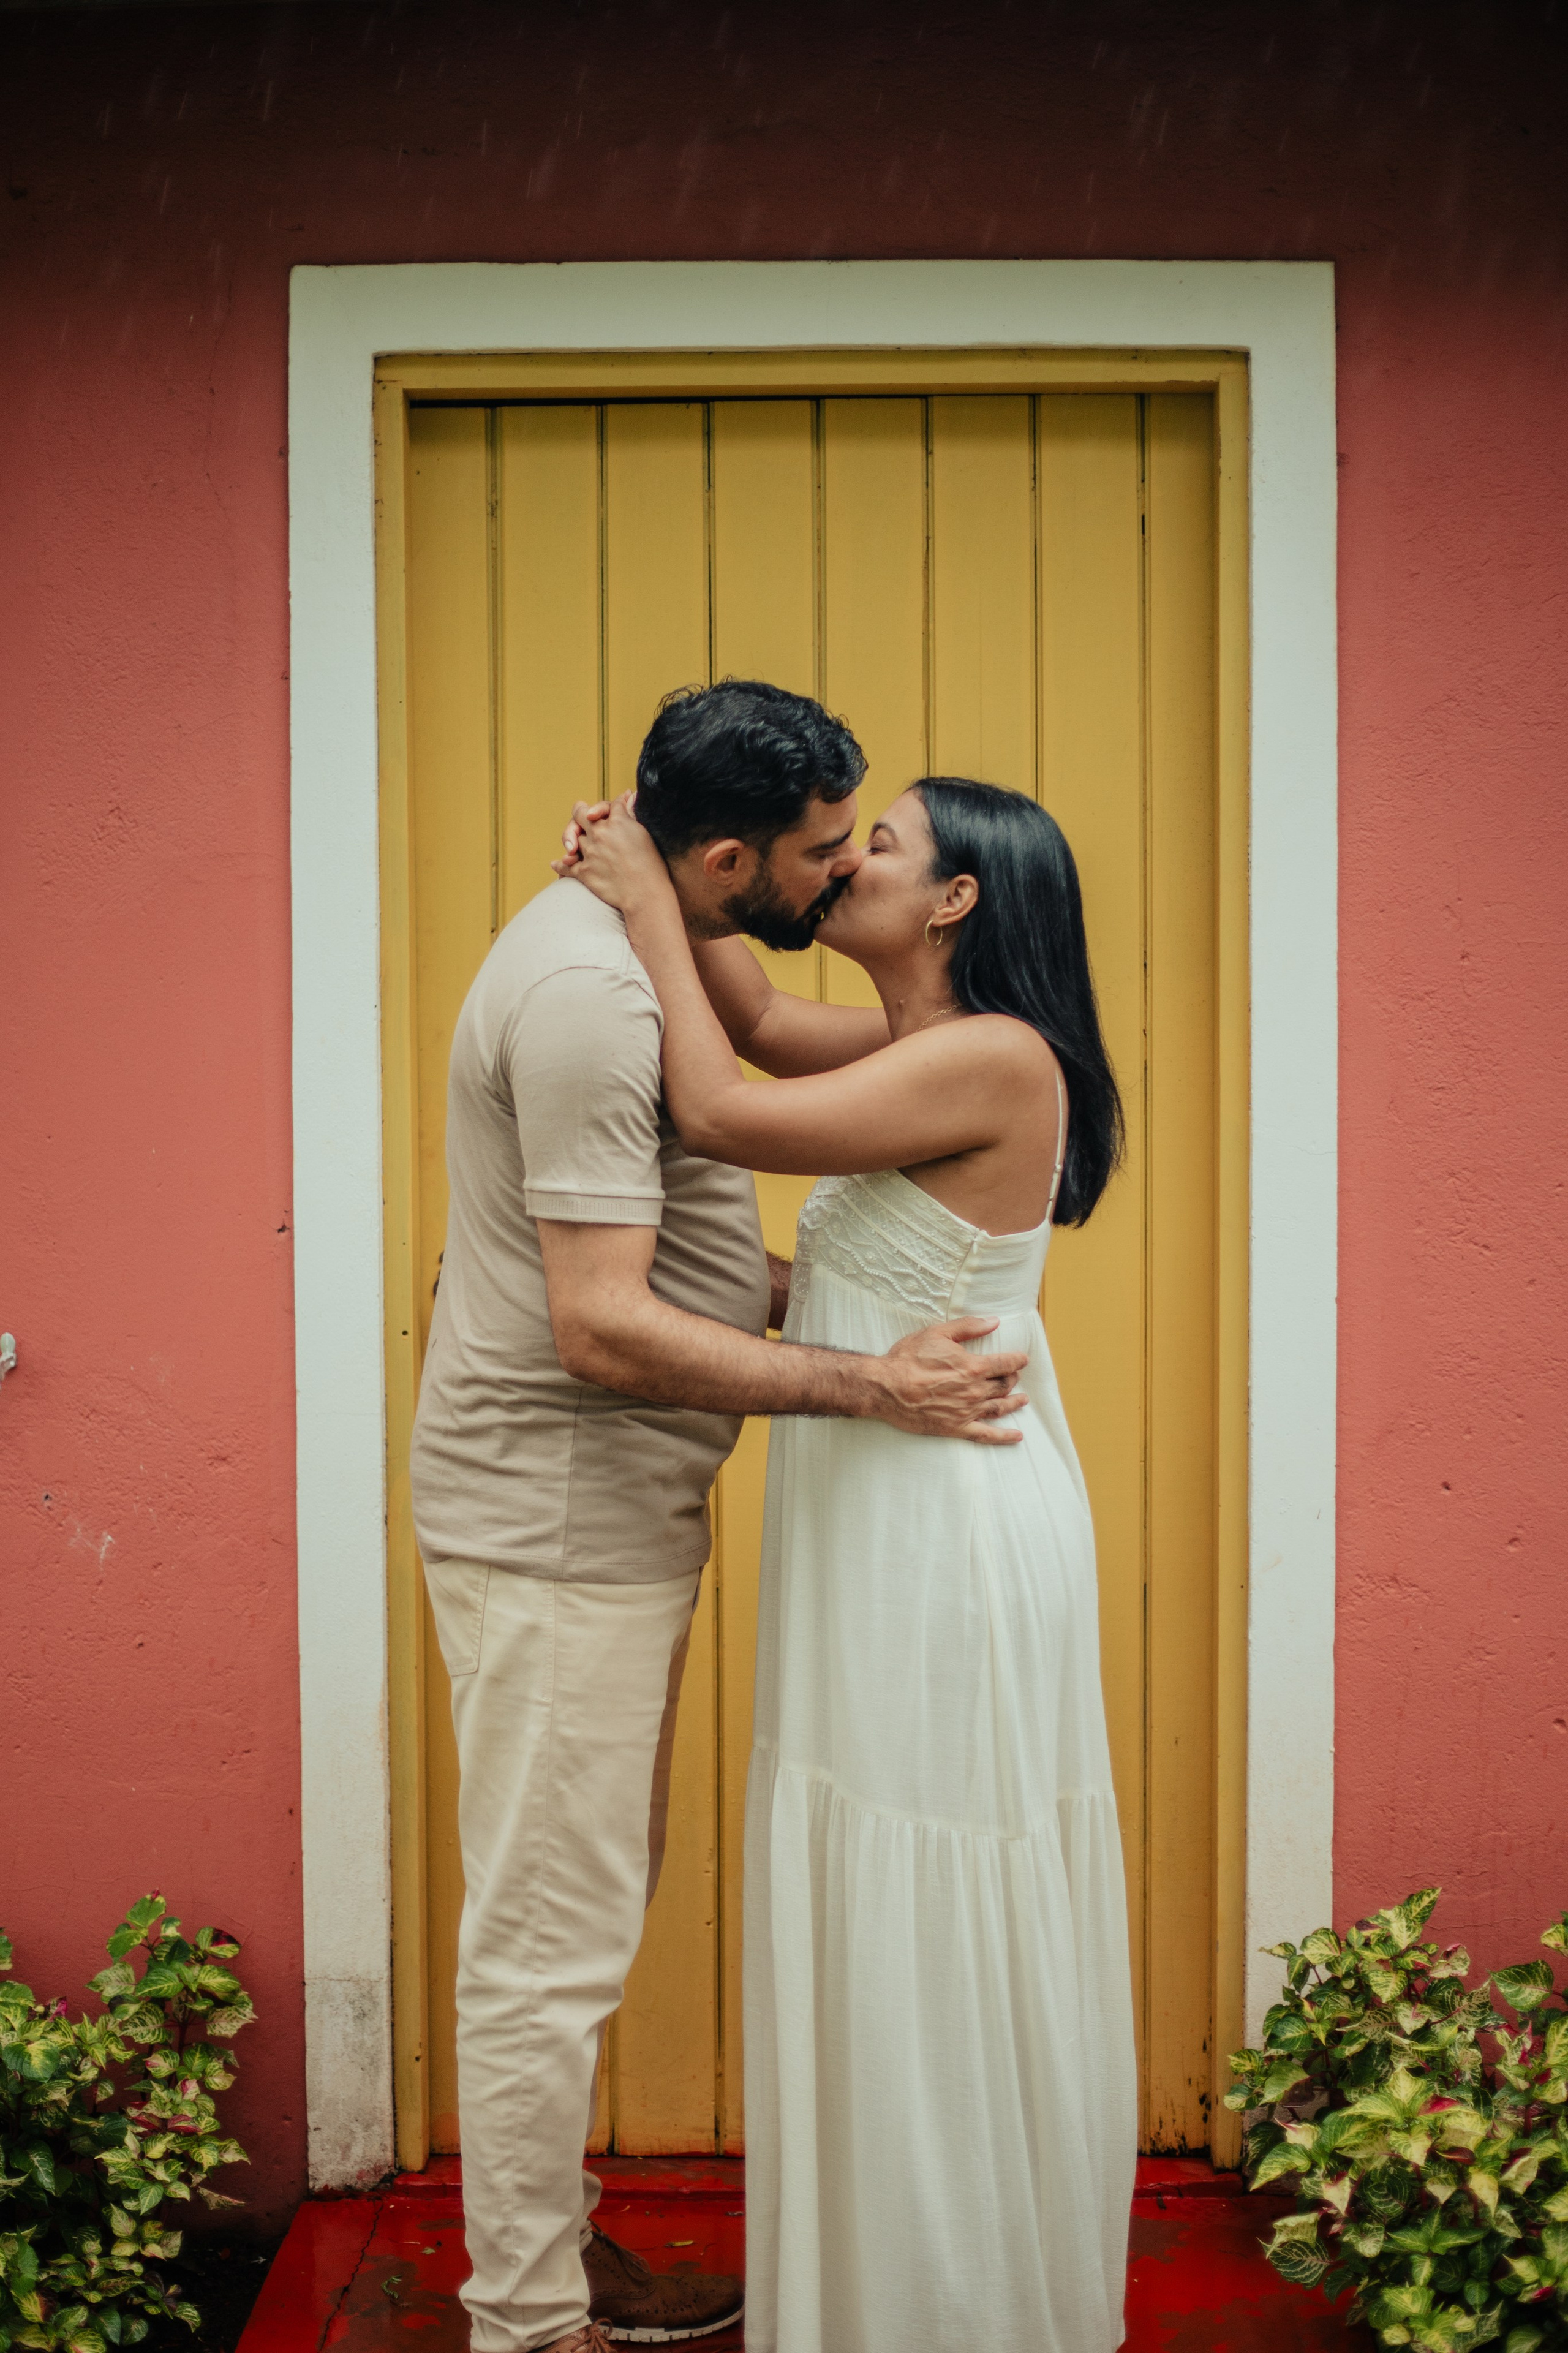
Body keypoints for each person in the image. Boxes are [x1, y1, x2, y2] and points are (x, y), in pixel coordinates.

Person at [407, 682, 1030, 2353]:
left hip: (609, 1512)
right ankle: (532, 2323)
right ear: (731, 855)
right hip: (555, 1515)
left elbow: (752, 1099)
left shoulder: (650, 954)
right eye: (827, 850)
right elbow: (603, 1322)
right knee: (549, 1938)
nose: (839, 875)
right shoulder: (598, 1004)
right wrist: (873, 1384)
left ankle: (551, 2253)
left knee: (578, 1908)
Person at [566, 772, 1138, 2353]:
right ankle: (887, 2290)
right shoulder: (909, 1047)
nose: (844, 862)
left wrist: (630, 903)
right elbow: (742, 1012)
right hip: (881, 1507)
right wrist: (674, 844)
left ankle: (951, 2310)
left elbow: (719, 1109)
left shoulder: (995, 1060)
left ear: (954, 900)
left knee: (930, 1869)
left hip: (943, 1530)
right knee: (879, 1859)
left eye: (876, 844)